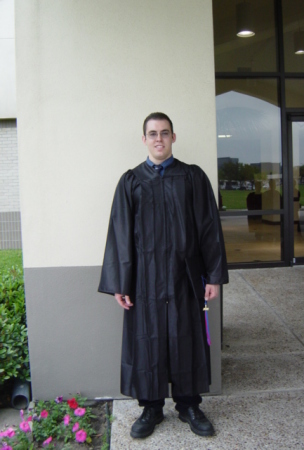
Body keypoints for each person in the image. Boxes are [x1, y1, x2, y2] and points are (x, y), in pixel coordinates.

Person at [98, 112, 228, 439]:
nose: (159, 139)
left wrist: (212, 275)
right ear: (144, 139)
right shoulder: (131, 181)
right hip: (144, 282)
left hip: (185, 278)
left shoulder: (192, 178)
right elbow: (120, 234)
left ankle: (188, 405)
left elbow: (209, 228)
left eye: (165, 133)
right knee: (148, 341)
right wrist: (120, 284)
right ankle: (152, 407)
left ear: (173, 137)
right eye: (153, 133)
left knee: (187, 339)